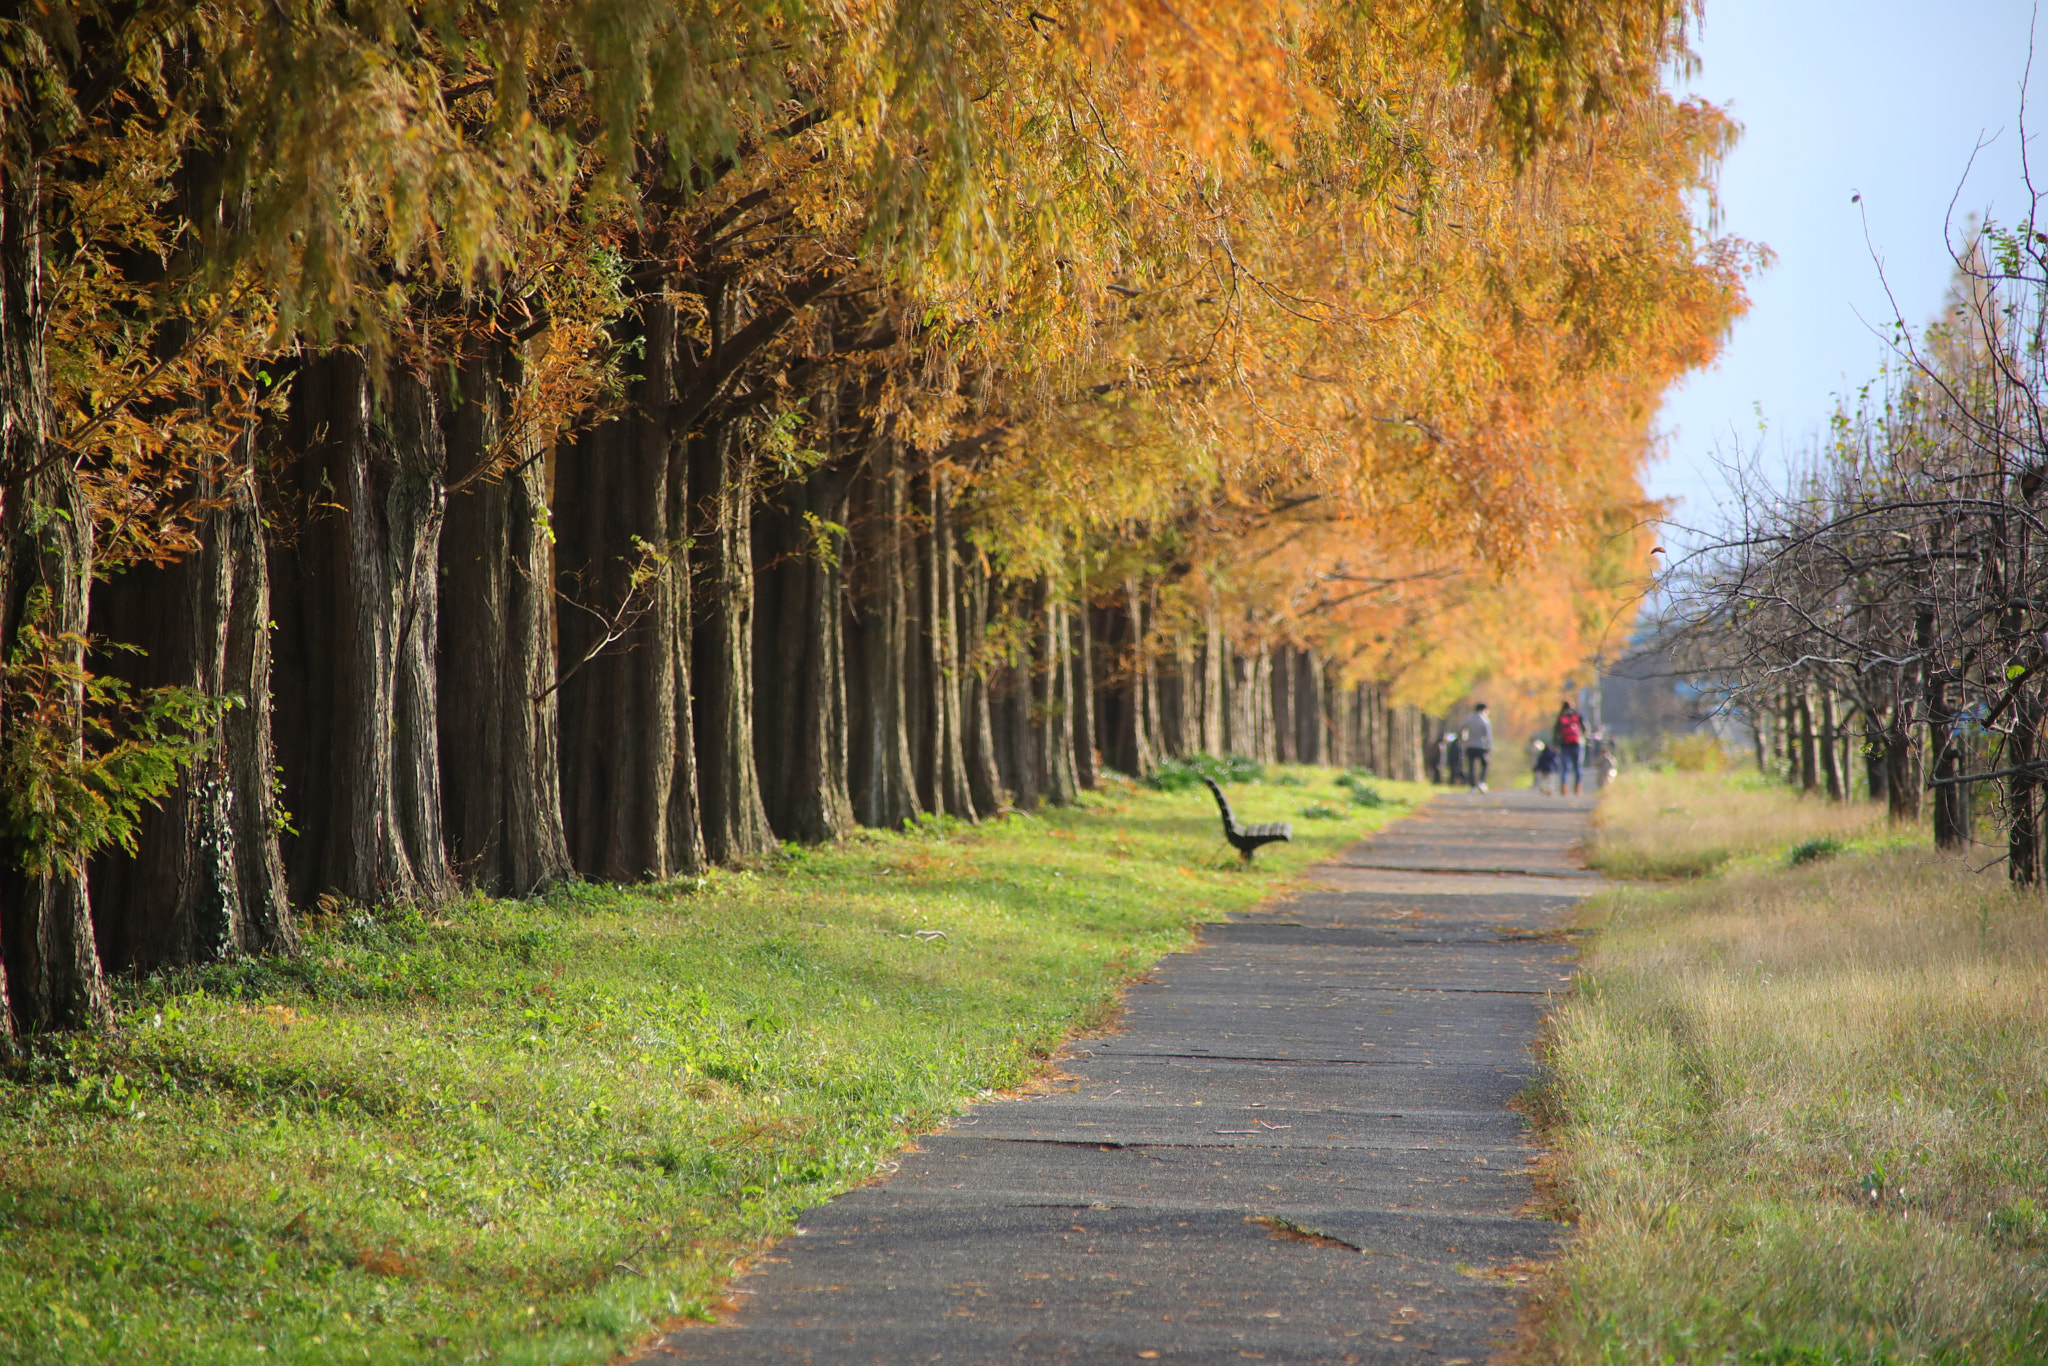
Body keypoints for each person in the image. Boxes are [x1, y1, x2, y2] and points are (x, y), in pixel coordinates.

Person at [1551, 700, 1585, 795]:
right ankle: (1578, 788)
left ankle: (1564, 788)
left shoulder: (1561, 717)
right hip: (1577, 744)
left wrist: (1555, 744)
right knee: (1578, 767)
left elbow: (1556, 732)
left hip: (1565, 745)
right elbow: (1585, 729)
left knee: (1565, 768)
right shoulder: (1577, 715)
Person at [1461, 701, 1492, 792]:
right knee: (1485, 764)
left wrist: (1464, 740)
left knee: (1471, 766)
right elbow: (1488, 735)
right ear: (1484, 710)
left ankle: (1473, 785)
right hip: (1481, 746)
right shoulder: (1485, 720)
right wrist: (1489, 746)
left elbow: (1463, 730)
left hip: (1470, 745)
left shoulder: (1468, 718)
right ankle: (1482, 782)